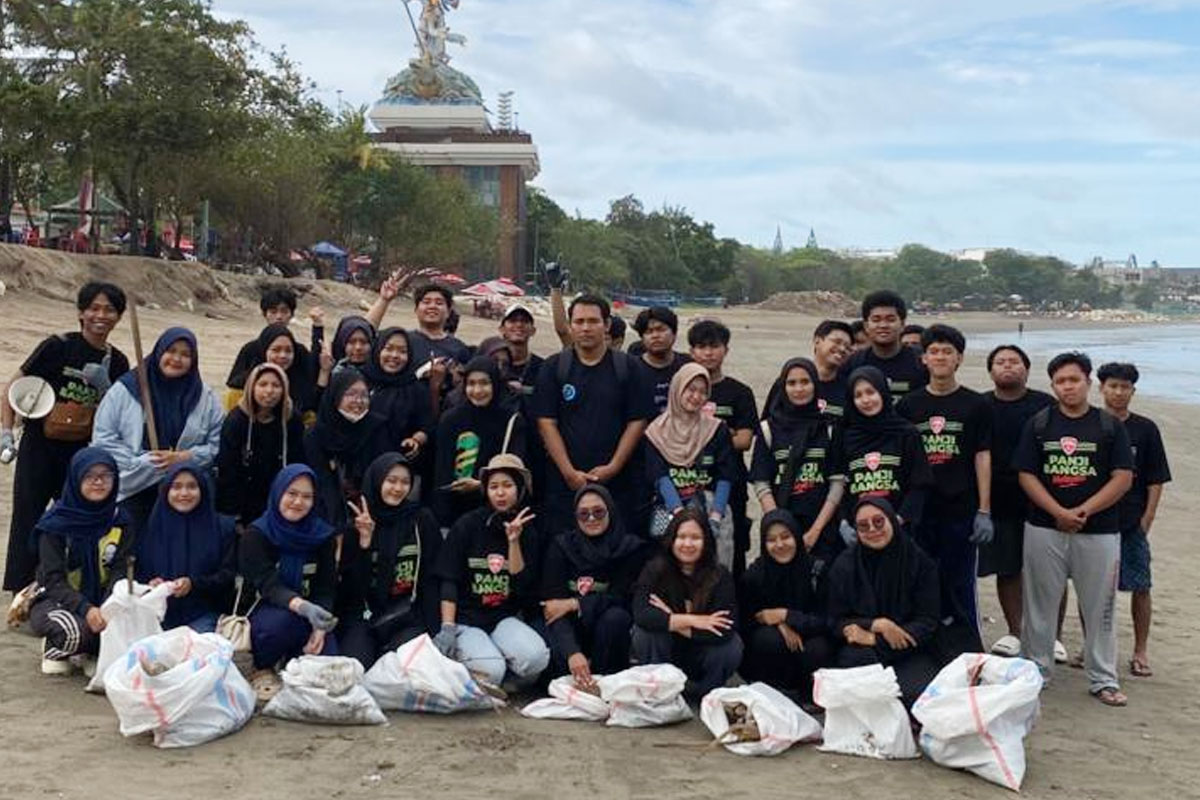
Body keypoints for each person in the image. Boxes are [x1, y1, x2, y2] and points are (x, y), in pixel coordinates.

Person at [1014, 352, 1133, 707]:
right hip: (1043, 528)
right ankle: (1036, 671)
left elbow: (1123, 477)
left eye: (1074, 380)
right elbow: (1026, 473)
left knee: (1101, 606)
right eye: (1061, 381)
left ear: (1088, 382)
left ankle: (1103, 678)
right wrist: (1057, 511)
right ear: (1052, 386)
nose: (1068, 387)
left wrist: (1084, 509)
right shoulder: (1039, 424)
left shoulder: (1109, 426)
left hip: (1099, 531)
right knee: (1039, 604)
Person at [2, 282, 130, 593]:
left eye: (109, 310)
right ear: (81, 313)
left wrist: (104, 387)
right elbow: (12, 389)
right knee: (27, 514)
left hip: (82, 452)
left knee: (75, 516)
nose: (101, 315)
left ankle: (63, 579)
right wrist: (6, 431)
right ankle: (20, 583)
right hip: (39, 444)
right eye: (94, 308)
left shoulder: (118, 362)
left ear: (118, 317)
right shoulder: (57, 346)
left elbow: (120, 410)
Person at [897, 324, 992, 639]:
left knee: (961, 581)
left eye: (947, 352)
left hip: (960, 507)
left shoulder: (976, 405)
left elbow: (982, 456)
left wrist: (984, 510)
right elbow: (901, 460)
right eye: (933, 351)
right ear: (923, 358)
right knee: (921, 580)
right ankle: (926, 643)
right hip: (919, 510)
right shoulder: (909, 406)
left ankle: (969, 646)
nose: (940, 357)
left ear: (959, 359)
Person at [534, 294, 653, 535]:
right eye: (579, 322)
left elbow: (637, 421)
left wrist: (615, 465)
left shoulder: (629, 368)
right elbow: (546, 422)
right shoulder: (554, 367)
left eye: (593, 321)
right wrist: (568, 471)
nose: (586, 328)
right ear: (570, 325)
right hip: (565, 482)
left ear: (606, 324)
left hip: (618, 481)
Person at [91, 327, 224, 540]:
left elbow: (217, 445)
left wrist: (184, 458)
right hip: (132, 486)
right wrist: (145, 462)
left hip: (183, 492)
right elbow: (103, 439)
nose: (177, 359)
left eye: (186, 354)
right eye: (171, 351)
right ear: (159, 351)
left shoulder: (205, 398)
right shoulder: (126, 390)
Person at [432, 454, 550, 686]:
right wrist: (447, 627)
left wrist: (514, 541)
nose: (500, 492)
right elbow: (449, 579)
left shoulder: (529, 529)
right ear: (485, 490)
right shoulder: (467, 525)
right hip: (467, 619)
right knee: (491, 671)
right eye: (494, 486)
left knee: (536, 658)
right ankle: (484, 665)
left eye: (508, 485)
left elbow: (523, 587)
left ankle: (497, 670)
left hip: (502, 617)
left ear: (520, 490)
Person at [978, 345, 1056, 659]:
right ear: (991, 369)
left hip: (1041, 499)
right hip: (997, 500)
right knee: (1007, 568)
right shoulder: (980, 405)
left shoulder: (1045, 405)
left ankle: (1054, 635)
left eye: (1014, 361)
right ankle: (1015, 631)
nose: (1007, 366)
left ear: (1026, 367)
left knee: (1048, 572)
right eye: (1000, 362)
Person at [827, 497, 943, 707]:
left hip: (908, 647)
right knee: (859, 673)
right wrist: (876, 624)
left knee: (918, 697)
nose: (872, 529)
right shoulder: (844, 566)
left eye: (879, 522)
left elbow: (928, 621)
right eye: (863, 526)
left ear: (891, 520)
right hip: (863, 653)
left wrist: (875, 638)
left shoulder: (918, 562)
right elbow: (835, 621)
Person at [27, 448, 132, 674]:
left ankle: (90, 651)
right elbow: (53, 580)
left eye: (106, 475)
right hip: (57, 600)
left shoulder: (121, 520)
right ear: (76, 478)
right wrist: (86, 609)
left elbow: (121, 569)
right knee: (74, 633)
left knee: (128, 632)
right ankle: (55, 647)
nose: (98, 482)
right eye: (89, 475)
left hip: (104, 600)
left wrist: (105, 609)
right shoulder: (55, 524)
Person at [1097, 362, 1170, 679]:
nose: (1118, 392)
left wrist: (1148, 517)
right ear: (1101, 388)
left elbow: (1156, 478)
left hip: (1132, 520)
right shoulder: (1091, 423)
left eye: (1124, 387)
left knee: (1141, 585)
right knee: (1095, 589)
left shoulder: (1145, 428)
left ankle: (1141, 649)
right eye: (1112, 385)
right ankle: (1094, 646)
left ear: (1133, 391)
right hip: (1096, 521)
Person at [240, 465, 339, 694]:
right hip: (267, 614)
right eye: (291, 494)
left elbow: (326, 586)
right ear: (278, 493)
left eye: (306, 497)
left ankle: (292, 662)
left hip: (309, 616)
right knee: (279, 625)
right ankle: (262, 667)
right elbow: (268, 585)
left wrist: (320, 627)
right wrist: (303, 607)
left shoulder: (323, 536)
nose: (298, 502)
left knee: (329, 664)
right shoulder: (257, 534)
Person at [337, 453, 442, 670]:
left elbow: (432, 577)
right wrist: (363, 544)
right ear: (377, 480)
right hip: (364, 615)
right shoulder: (357, 523)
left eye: (405, 482)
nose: (398, 488)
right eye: (391, 480)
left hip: (407, 615)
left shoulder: (421, 520)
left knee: (411, 669)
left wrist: (434, 629)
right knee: (356, 668)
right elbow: (349, 590)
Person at [541, 485, 649, 687]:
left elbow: (623, 599)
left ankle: (605, 681)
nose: (591, 519)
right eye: (583, 514)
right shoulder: (561, 546)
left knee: (616, 617)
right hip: (570, 629)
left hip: (607, 630)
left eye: (598, 512)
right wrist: (572, 652)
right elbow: (553, 607)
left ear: (610, 510)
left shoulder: (629, 548)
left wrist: (575, 603)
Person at [631, 508, 742, 700]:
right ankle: (659, 692)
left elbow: (725, 627)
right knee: (644, 634)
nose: (687, 544)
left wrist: (671, 621)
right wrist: (692, 620)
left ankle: (707, 695)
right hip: (668, 650)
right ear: (672, 539)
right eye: (681, 537)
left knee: (732, 646)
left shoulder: (720, 575)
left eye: (695, 538)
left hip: (702, 651)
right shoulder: (655, 569)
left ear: (706, 541)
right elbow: (642, 614)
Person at [750, 358, 842, 568]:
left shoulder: (829, 428)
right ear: (782, 387)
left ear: (815, 385)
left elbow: (837, 483)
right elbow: (761, 482)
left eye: (805, 382)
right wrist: (780, 528)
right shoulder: (768, 429)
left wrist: (815, 532)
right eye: (791, 383)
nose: (799, 389)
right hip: (781, 531)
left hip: (823, 529)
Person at [644, 363, 737, 567]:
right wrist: (680, 516)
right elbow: (659, 477)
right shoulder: (656, 431)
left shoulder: (716, 429)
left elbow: (726, 475)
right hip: (669, 511)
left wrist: (714, 517)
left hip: (711, 509)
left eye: (703, 392)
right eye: (691, 389)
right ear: (678, 389)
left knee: (714, 570)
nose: (697, 397)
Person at [739, 509, 834, 703]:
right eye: (771, 540)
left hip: (810, 642)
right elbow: (747, 620)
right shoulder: (755, 575)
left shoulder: (817, 570)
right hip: (775, 659)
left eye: (786, 537)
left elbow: (829, 620)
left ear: (797, 537)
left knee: (818, 647)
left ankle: (812, 696)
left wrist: (786, 615)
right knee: (767, 639)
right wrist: (778, 625)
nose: (780, 545)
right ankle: (774, 693)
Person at [825, 366, 932, 536]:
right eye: (858, 395)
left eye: (871, 392)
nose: (866, 400)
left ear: (882, 392)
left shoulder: (906, 433)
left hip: (900, 529)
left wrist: (898, 520)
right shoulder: (844, 435)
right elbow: (839, 483)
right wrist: (844, 522)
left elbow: (919, 485)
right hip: (858, 530)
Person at [688, 319, 757, 577]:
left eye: (714, 346)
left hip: (731, 484)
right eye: (701, 346)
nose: (708, 353)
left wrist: (707, 437)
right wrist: (724, 435)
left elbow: (744, 440)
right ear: (692, 351)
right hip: (691, 482)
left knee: (732, 551)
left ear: (726, 350)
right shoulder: (684, 390)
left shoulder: (740, 393)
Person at [136, 463, 236, 632]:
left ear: (203, 490)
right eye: (176, 487)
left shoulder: (222, 527)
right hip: (156, 613)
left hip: (204, 613)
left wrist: (193, 584)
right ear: (166, 491)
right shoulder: (150, 527)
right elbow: (138, 573)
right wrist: (151, 584)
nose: (184, 493)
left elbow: (227, 576)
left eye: (191, 486)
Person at [434, 356, 526, 527]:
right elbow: (441, 470)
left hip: (497, 514)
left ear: (496, 384)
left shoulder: (511, 421)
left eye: (484, 383)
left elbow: (517, 470)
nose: (477, 390)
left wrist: (481, 485)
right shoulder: (451, 419)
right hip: (454, 512)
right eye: (471, 383)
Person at [215, 363, 305, 526]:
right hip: (244, 501)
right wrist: (233, 514)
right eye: (263, 384)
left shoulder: (291, 419)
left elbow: (298, 460)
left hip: (280, 499)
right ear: (251, 387)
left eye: (276, 385)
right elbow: (228, 469)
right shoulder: (236, 421)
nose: (269, 391)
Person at [303, 369, 390, 531]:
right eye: (350, 394)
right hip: (327, 511)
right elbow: (321, 480)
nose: (358, 401)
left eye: (364, 395)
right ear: (335, 396)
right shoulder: (316, 434)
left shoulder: (378, 427)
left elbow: (382, 473)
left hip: (371, 511)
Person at [224, 287, 322, 415]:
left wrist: (318, 328)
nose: (279, 317)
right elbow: (235, 387)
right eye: (273, 312)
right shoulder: (251, 349)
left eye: (284, 311)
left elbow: (315, 371)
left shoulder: (299, 351)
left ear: (291, 314)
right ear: (265, 314)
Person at [843, 291, 927, 403]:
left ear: (902, 325)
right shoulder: (853, 364)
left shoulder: (921, 363)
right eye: (876, 320)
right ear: (866, 326)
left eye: (890, 320)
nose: (883, 325)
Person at [362, 327, 432, 460]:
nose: (394, 355)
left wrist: (415, 440)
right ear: (378, 350)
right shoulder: (359, 380)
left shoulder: (416, 389)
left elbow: (427, 426)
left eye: (402, 351)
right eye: (389, 348)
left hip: (395, 464)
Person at [633, 306, 691, 413]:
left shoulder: (688, 366)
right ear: (642, 338)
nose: (655, 335)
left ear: (674, 333)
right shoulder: (630, 368)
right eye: (649, 332)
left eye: (661, 329)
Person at [812, 320, 853, 422]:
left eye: (848, 347)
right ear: (817, 341)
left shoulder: (850, 389)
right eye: (837, 342)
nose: (843, 349)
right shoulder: (793, 381)